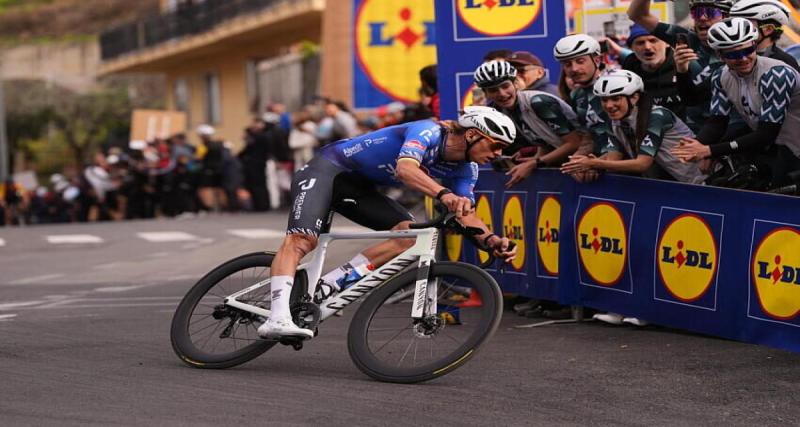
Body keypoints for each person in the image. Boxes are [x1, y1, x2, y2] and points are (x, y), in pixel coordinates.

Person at [257, 107, 519, 338]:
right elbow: (406, 169)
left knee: (408, 238)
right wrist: (443, 194)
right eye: (495, 145)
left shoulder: (466, 169)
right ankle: (276, 318)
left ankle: (330, 285)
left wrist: (491, 239)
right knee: (303, 240)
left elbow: (465, 212)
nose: (497, 154)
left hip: (358, 188)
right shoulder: (427, 131)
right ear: (473, 135)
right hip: (327, 170)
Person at [671, 18, 800, 188]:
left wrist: (708, 151)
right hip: (781, 147)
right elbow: (717, 123)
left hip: (784, 144)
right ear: (719, 55)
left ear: (754, 45)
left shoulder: (776, 74)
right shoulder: (721, 76)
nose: (743, 58)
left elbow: (766, 134)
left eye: (747, 49)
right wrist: (695, 145)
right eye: (732, 54)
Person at [560, 70, 707, 184]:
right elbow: (613, 159)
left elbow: (642, 164)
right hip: (675, 185)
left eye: (616, 98)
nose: (609, 105)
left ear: (634, 97)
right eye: (604, 100)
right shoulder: (615, 120)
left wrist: (594, 163)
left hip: (701, 181)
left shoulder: (656, 116)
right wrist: (590, 165)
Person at [472, 60, 587, 187]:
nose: (502, 94)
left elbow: (575, 142)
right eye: (493, 90)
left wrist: (535, 163)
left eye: (505, 86)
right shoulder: (503, 110)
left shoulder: (538, 102)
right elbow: (548, 138)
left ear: (515, 83)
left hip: (585, 158)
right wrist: (536, 157)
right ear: (486, 93)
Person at [628, 0, 734, 130]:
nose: (702, 17)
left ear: (727, 16)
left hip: (734, 129)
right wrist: (681, 70)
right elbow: (637, 15)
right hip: (695, 131)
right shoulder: (686, 39)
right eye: (697, 12)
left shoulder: (741, 46)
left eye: (710, 12)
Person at [622, 24, 686, 120]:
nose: (647, 47)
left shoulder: (683, 64)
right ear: (631, 48)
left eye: (653, 40)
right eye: (640, 43)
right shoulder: (626, 73)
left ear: (667, 43)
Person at [729, 0, 800, 72]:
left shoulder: (785, 63)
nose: (736, 28)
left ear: (768, 29)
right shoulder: (731, 57)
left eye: (745, 23)